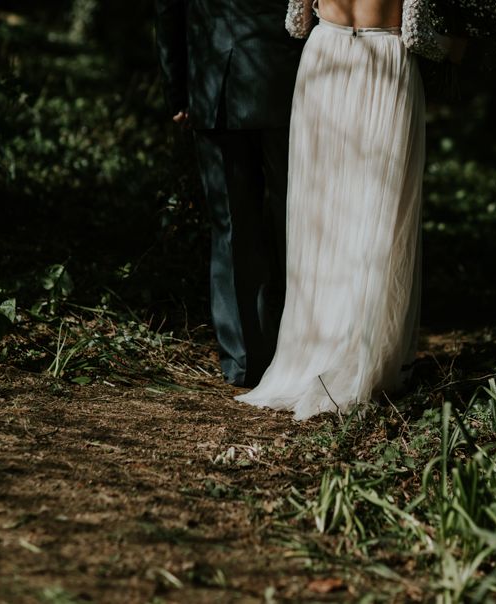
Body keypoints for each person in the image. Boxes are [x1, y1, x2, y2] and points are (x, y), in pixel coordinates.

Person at [235, 0, 465, 419]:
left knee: (323, 217)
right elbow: (415, 36)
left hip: (325, 64)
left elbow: (296, 23)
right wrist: (455, 48)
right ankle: (360, 357)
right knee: (374, 214)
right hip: (381, 68)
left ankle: (313, 352)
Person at [154, 0, 304, 387]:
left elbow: (168, 11)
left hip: (216, 78)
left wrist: (179, 91)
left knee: (232, 226)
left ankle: (245, 360)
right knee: (299, 219)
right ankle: (304, 348)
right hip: (287, 76)